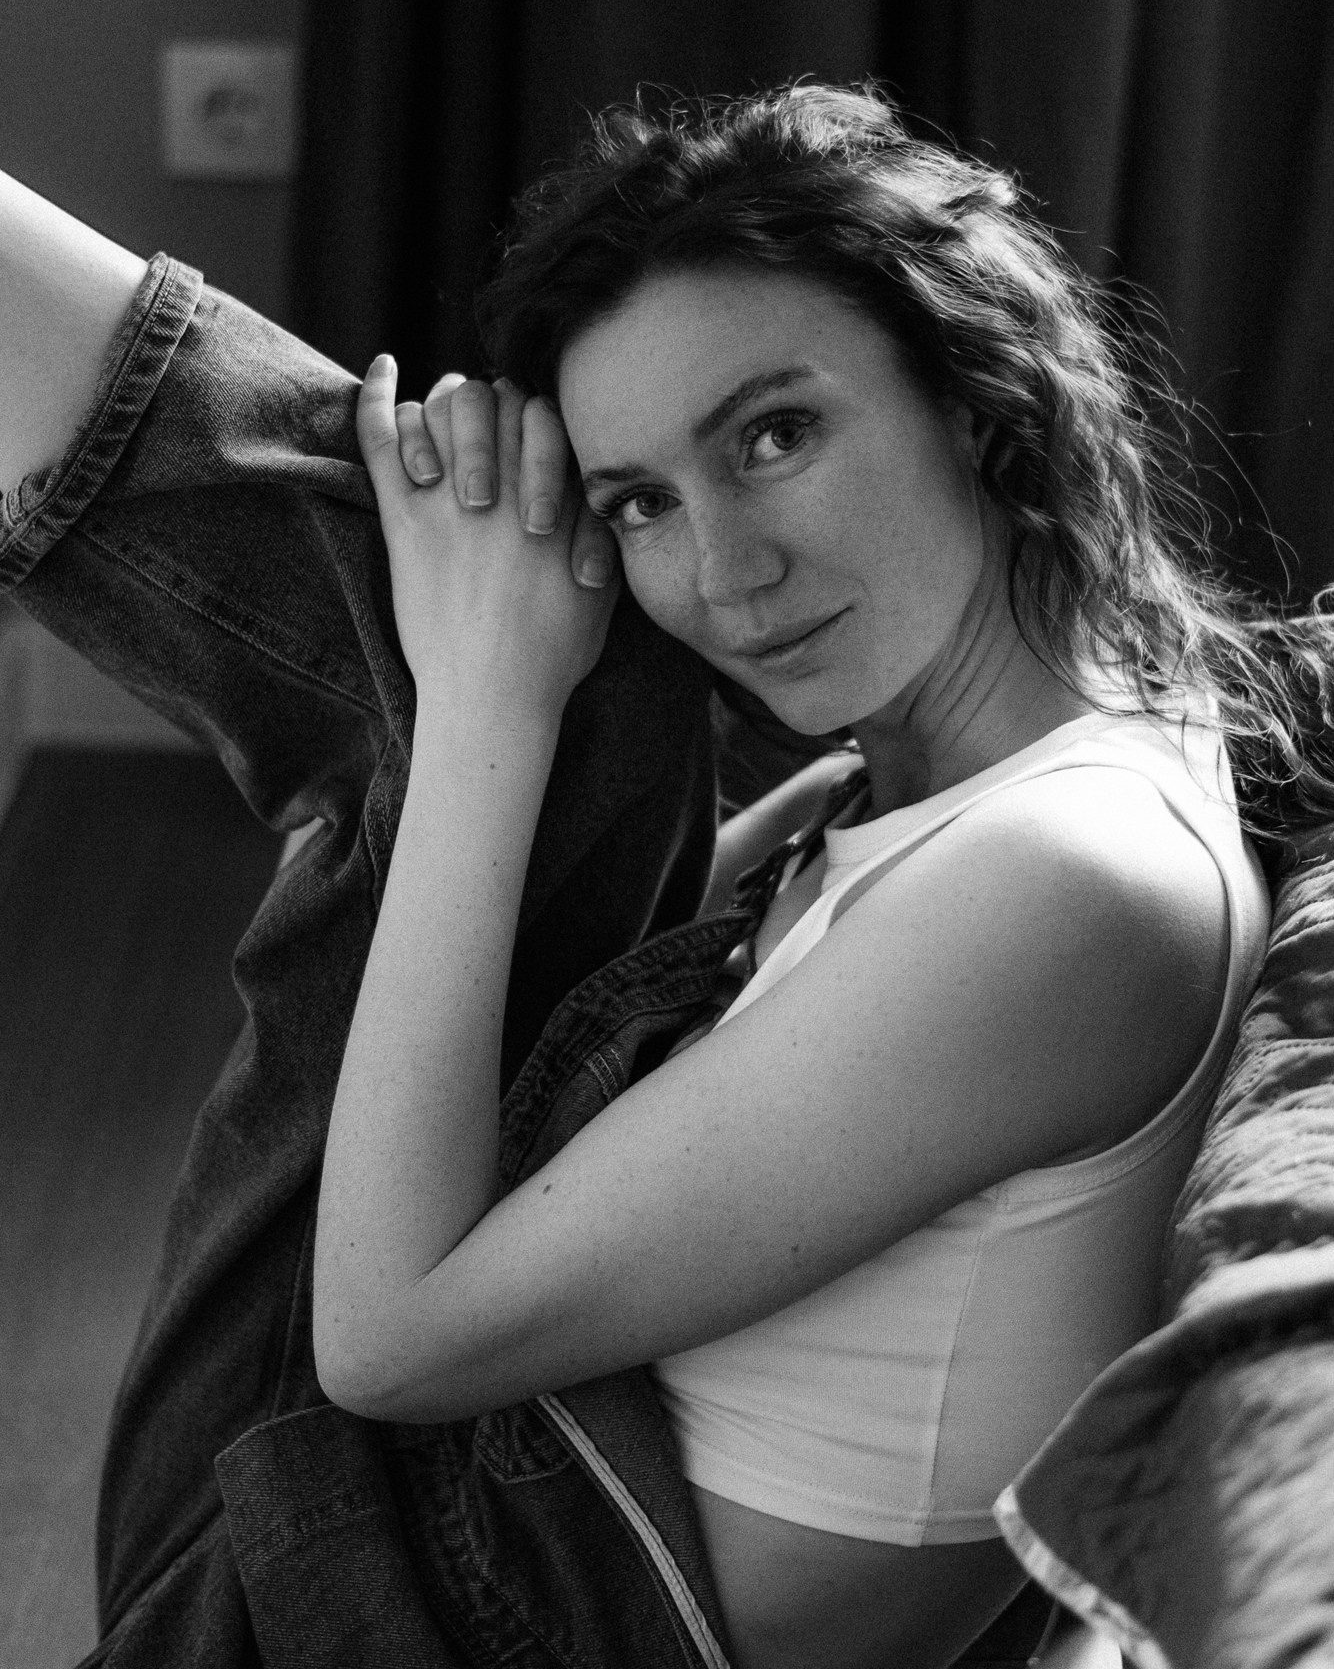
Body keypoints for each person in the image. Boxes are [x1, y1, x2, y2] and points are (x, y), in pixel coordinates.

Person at [0, 83, 1324, 1668]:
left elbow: (388, 1344)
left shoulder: (1064, 881)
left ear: (977, 397)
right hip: (462, 1537)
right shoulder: (968, 781)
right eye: (638, 500)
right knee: (556, 674)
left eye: (775, 434)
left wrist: (483, 709)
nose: (723, 572)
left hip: (433, 1612)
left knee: (513, 694)